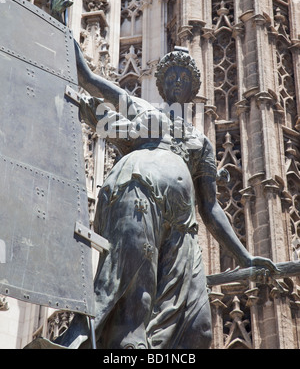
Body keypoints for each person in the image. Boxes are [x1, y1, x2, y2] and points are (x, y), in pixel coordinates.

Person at [49, 40, 277, 350]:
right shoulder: (143, 109)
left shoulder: (201, 142)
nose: (177, 81)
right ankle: (79, 341)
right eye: (171, 76)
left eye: (184, 76)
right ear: (161, 85)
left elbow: (210, 208)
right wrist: (60, 26)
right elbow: (87, 78)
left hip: (181, 230)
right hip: (137, 194)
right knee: (127, 295)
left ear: (193, 87)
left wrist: (244, 256)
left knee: (198, 329)